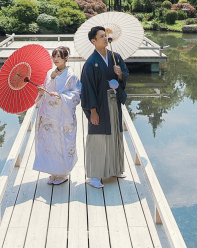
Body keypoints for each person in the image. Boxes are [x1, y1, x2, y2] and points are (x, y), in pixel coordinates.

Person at [80, 25, 129, 189]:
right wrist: (92, 111)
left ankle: (114, 168)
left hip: (114, 102)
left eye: (106, 35)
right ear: (93, 41)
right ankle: (93, 174)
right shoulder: (90, 63)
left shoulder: (116, 57)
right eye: (101, 36)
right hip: (100, 105)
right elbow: (87, 89)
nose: (105, 38)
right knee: (98, 138)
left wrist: (119, 73)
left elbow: (125, 77)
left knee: (115, 133)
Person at [32, 46, 82, 185]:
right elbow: (46, 89)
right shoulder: (49, 73)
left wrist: (61, 96)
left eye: (58, 57)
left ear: (66, 58)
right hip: (48, 114)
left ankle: (63, 173)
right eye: (53, 57)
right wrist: (42, 91)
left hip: (62, 115)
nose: (55, 60)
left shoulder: (71, 75)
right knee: (49, 142)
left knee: (61, 142)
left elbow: (77, 94)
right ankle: (53, 171)